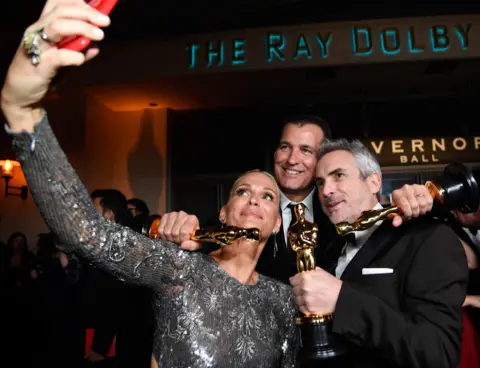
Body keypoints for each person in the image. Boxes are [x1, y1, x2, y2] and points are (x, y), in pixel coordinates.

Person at [1, 6, 301, 367]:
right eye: (242, 191)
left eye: (268, 195)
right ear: (223, 212)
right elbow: (89, 234)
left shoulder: (282, 299)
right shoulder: (180, 269)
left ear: (277, 222)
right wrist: (22, 111)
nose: (254, 198)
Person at [159, 118, 433, 284]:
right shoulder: (247, 209)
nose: (291, 160)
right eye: (285, 147)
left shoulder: (342, 212)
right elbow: (203, 240)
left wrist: (417, 204)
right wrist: (182, 231)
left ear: (322, 159)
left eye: (306, 150)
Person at [288, 139, 469, 367]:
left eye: (339, 176)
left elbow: (438, 353)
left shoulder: (428, 238)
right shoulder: (329, 250)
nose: (326, 190)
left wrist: (342, 300)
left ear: (373, 182)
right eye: (320, 182)